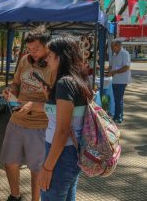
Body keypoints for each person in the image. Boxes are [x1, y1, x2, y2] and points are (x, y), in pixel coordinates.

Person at [0, 26, 54, 201]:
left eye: (36, 49)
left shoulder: (54, 65)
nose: (33, 53)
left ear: (47, 46)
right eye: (30, 49)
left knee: (36, 169)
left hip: (40, 125)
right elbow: (16, 83)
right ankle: (15, 196)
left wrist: (33, 105)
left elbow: (55, 102)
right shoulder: (24, 60)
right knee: (9, 162)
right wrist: (10, 90)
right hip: (16, 120)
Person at [37, 36, 93, 201]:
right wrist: (49, 97)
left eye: (49, 54)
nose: (46, 58)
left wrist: (47, 168)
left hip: (61, 153)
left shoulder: (64, 83)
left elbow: (62, 131)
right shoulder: (80, 80)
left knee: (50, 195)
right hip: (73, 152)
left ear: (60, 57)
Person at [107, 40, 131, 123]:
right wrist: (108, 69)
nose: (111, 49)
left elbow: (126, 67)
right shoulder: (114, 55)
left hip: (122, 80)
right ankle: (118, 115)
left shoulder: (125, 53)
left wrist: (113, 72)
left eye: (112, 47)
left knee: (118, 99)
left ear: (118, 45)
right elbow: (111, 66)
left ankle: (118, 116)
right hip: (115, 80)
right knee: (117, 99)